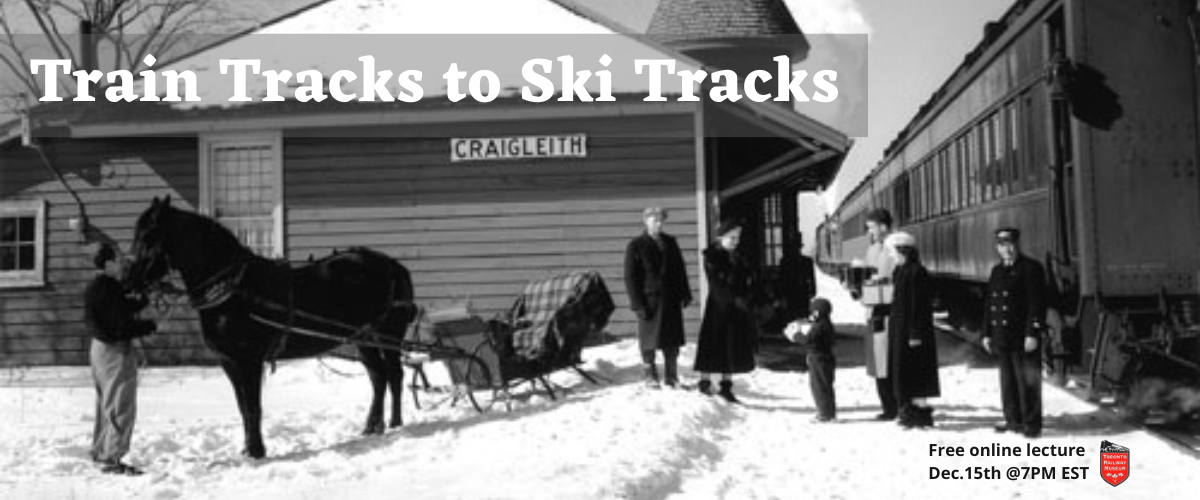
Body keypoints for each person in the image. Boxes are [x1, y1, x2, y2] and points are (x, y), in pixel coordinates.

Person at [86, 244, 156, 475]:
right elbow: (119, 325)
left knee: (107, 404)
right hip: (114, 351)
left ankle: (101, 451)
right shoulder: (106, 289)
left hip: (100, 350)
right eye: (117, 260)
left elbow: (120, 308)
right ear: (107, 264)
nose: (122, 264)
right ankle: (112, 459)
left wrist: (142, 302)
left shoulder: (102, 286)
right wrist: (148, 326)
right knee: (120, 405)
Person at [981, 227, 1047, 438]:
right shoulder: (996, 271)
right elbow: (990, 304)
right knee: (1008, 382)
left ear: (1017, 245)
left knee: (1027, 381)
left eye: (1010, 245)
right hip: (1002, 336)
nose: (1006, 250)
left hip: (1022, 336)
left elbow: (1036, 304)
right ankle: (1013, 420)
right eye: (1002, 246)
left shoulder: (1030, 268)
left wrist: (1032, 333)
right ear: (997, 248)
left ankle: (1031, 424)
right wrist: (986, 333)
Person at [624, 207, 693, 388]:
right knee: (649, 341)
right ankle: (650, 376)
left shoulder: (670, 242)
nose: (659, 224)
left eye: (662, 220)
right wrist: (637, 303)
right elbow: (630, 277)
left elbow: (680, 269)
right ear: (646, 221)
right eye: (655, 220)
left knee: (672, 340)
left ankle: (672, 377)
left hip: (671, 299)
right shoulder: (636, 245)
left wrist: (685, 292)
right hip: (649, 301)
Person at [693, 219, 758, 403]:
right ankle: (705, 382)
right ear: (721, 237)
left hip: (736, 309)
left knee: (731, 346)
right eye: (732, 238)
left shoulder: (739, 257)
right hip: (718, 307)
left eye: (737, 238)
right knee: (712, 343)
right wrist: (734, 300)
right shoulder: (712, 257)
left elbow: (747, 280)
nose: (735, 241)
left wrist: (747, 296)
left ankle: (726, 386)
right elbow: (716, 284)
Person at [884, 231, 940, 428]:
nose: (890, 255)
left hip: (913, 332)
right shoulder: (900, 271)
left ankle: (919, 413)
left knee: (916, 372)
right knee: (903, 371)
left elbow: (918, 306)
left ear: (902, 250)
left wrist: (915, 333)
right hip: (901, 330)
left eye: (892, 251)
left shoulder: (916, 272)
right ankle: (907, 410)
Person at [860, 208, 899, 420]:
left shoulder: (897, 249)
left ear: (884, 227)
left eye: (872, 228)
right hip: (873, 310)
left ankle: (897, 404)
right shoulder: (872, 250)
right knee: (877, 360)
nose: (870, 233)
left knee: (891, 360)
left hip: (890, 310)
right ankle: (887, 405)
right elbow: (867, 277)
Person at [785, 297, 837, 422]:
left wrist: (795, 336)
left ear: (817, 312)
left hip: (819, 359)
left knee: (819, 386)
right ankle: (827, 412)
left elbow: (808, 340)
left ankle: (825, 414)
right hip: (823, 358)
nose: (811, 314)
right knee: (824, 385)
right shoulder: (825, 323)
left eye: (813, 312)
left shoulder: (820, 327)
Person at [778, 230, 817, 321]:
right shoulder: (786, 261)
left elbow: (812, 278)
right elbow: (782, 279)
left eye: (797, 247)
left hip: (800, 293)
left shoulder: (786, 261)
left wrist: (813, 290)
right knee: (794, 316)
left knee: (801, 316)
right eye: (794, 247)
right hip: (793, 293)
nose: (795, 249)